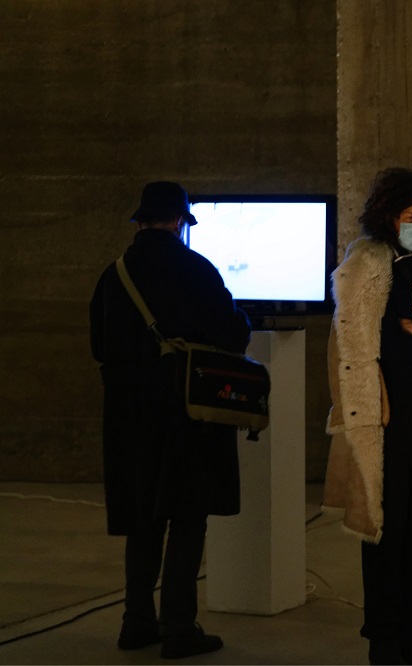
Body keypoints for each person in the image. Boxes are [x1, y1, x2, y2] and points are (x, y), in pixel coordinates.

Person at [89, 181, 251, 660]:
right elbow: (234, 333)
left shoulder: (113, 274)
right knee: (187, 515)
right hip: (187, 413)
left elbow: (99, 345)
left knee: (143, 516)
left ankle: (136, 622)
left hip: (129, 416)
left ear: (140, 220)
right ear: (180, 221)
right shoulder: (196, 269)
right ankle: (179, 627)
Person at [328, 168, 412, 665]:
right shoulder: (368, 267)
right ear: (389, 218)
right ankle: (385, 644)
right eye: (410, 217)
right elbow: (356, 348)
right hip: (385, 421)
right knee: (385, 531)